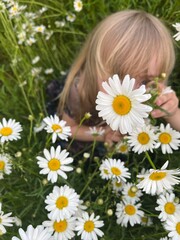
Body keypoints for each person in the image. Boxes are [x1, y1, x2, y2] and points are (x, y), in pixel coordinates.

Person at [56, 9, 180, 147]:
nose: (130, 92)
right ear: (93, 67)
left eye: (145, 81)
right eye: (118, 78)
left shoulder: (155, 96)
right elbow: (69, 129)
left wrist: (172, 113)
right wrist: (102, 134)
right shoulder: (79, 91)